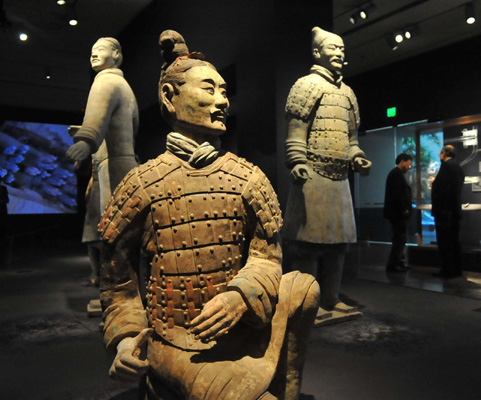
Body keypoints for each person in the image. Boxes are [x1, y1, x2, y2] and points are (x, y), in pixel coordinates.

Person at [99, 30, 319, 400]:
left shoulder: (247, 177)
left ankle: (280, 388)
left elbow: (268, 258)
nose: (222, 102)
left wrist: (241, 296)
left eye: (224, 91)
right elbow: (118, 284)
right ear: (170, 97)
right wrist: (124, 342)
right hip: (180, 342)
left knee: (304, 289)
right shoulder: (142, 183)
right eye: (208, 89)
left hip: (244, 324)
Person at [282, 26, 371, 317]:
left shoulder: (348, 93)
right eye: (333, 48)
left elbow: (352, 140)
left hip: (340, 178)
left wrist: (357, 157)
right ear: (317, 52)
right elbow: (296, 133)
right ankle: (307, 304)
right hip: (313, 176)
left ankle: (331, 299)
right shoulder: (305, 85)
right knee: (308, 248)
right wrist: (297, 162)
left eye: (342, 49)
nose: (339, 53)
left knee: (338, 247)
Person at [66, 37, 139, 286]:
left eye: (100, 49)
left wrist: (86, 140)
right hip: (124, 164)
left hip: (115, 167)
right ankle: (124, 289)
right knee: (125, 233)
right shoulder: (124, 85)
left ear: (116, 54)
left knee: (115, 234)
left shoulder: (106, 81)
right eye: (91, 50)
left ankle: (118, 292)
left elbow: (96, 119)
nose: (94, 54)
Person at [431, 145, 465, 278]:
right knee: (455, 242)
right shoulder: (458, 167)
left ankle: (447, 270)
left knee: (444, 242)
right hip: (455, 211)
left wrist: (435, 183)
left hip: (444, 212)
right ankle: (457, 270)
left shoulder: (445, 166)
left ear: (443, 153)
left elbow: (443, 190)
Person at [383, 153, 413, 272]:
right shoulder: (396, 174)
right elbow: (398, 194)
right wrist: (403, 208)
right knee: (399, 238)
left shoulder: (395, 173)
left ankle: (399, 262)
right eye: (409, 163)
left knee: (400, 238)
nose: (409, 167)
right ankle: (394, 264)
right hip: (398, 214)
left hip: (397, 213)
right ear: (402, 161)